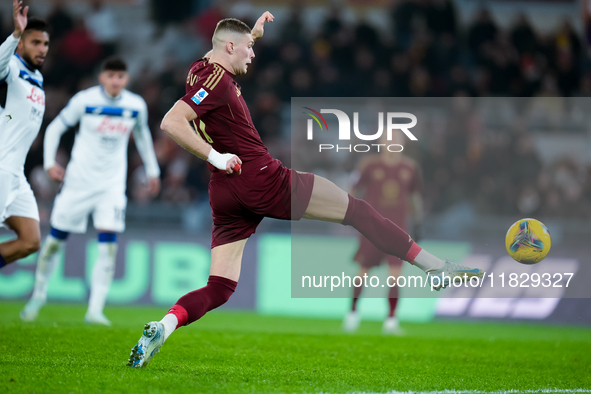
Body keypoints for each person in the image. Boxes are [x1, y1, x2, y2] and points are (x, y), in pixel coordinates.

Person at [127, 12, 483, 368]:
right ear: (230, 47)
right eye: (249, 48)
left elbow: (224, 48)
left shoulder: (201, 68)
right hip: (259, 177)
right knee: (356, 211)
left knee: (220, 287)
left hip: (226, 192)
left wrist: (253, 33)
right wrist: (217, 156)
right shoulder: (218, 82)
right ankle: (434, 266)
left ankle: (164, 325)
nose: (253, 55)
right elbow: (171, 121)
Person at [20, 57, 161, 325]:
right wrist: (50, 163)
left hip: (111, 186)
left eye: (120, 77)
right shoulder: (84, 101)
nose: (115, 81)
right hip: (78, 183)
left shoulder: (135, 105)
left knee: (108, 247)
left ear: (126, 79)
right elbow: (55, 128)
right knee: (54, 243)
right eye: (111, 76)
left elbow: (143, 137)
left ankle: (95, 310)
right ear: (102, 77)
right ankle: (37, 296)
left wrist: (152, 171)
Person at [342, 133, 423, 335]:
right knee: (362, 272)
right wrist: (349, 214)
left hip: (398, 230)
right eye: (388, 138)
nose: (393, 142)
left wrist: (419, 223)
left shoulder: (410, 168)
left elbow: (414, 196)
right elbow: (351, 188)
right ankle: (352, 313)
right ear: (381, 142)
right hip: (371, 229)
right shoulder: (369, 164)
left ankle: (391, 320)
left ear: (403, 143)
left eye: (397, 138)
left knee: (395, 276)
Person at [0, 1, 49, 270]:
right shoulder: (11, 70)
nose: (42, 49)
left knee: (30, 240)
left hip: (16, 173)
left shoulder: (37, 80)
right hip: (1, 167)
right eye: (35, 43)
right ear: (21, 45)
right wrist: (16, 33)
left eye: (45, 44)